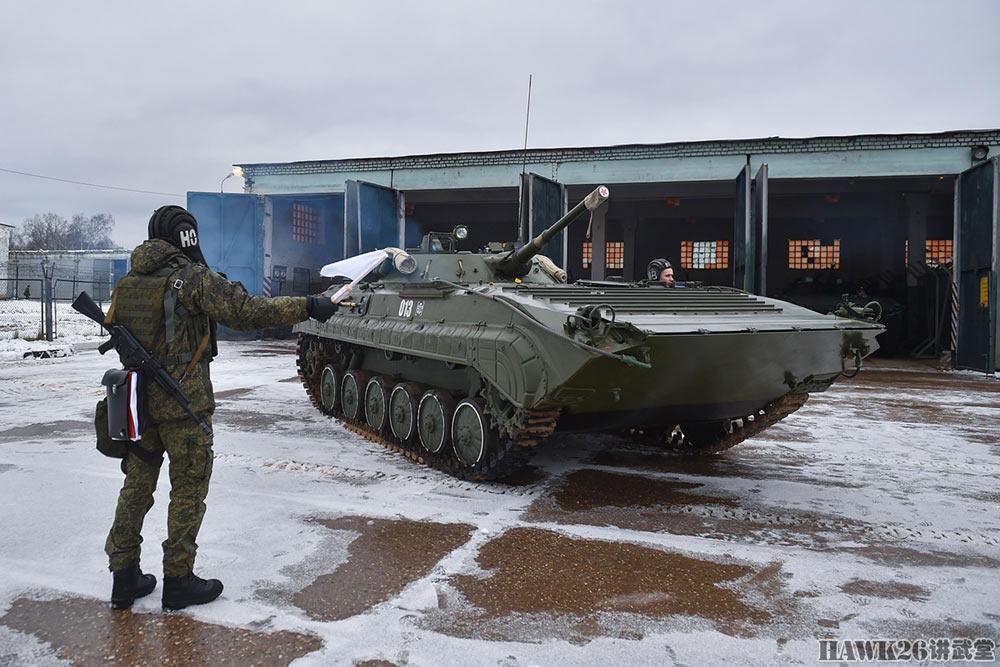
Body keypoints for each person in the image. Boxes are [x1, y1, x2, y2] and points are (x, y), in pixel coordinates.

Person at [105, 205, 338, 611]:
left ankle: (123, 578)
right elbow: (247, 312)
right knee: (189, 490)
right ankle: (178, 580)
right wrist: (309, 306)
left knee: (136, 488)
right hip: (184, 404)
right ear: (186, 237)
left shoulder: (128, 282)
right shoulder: (191, 279)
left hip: (139, 403)